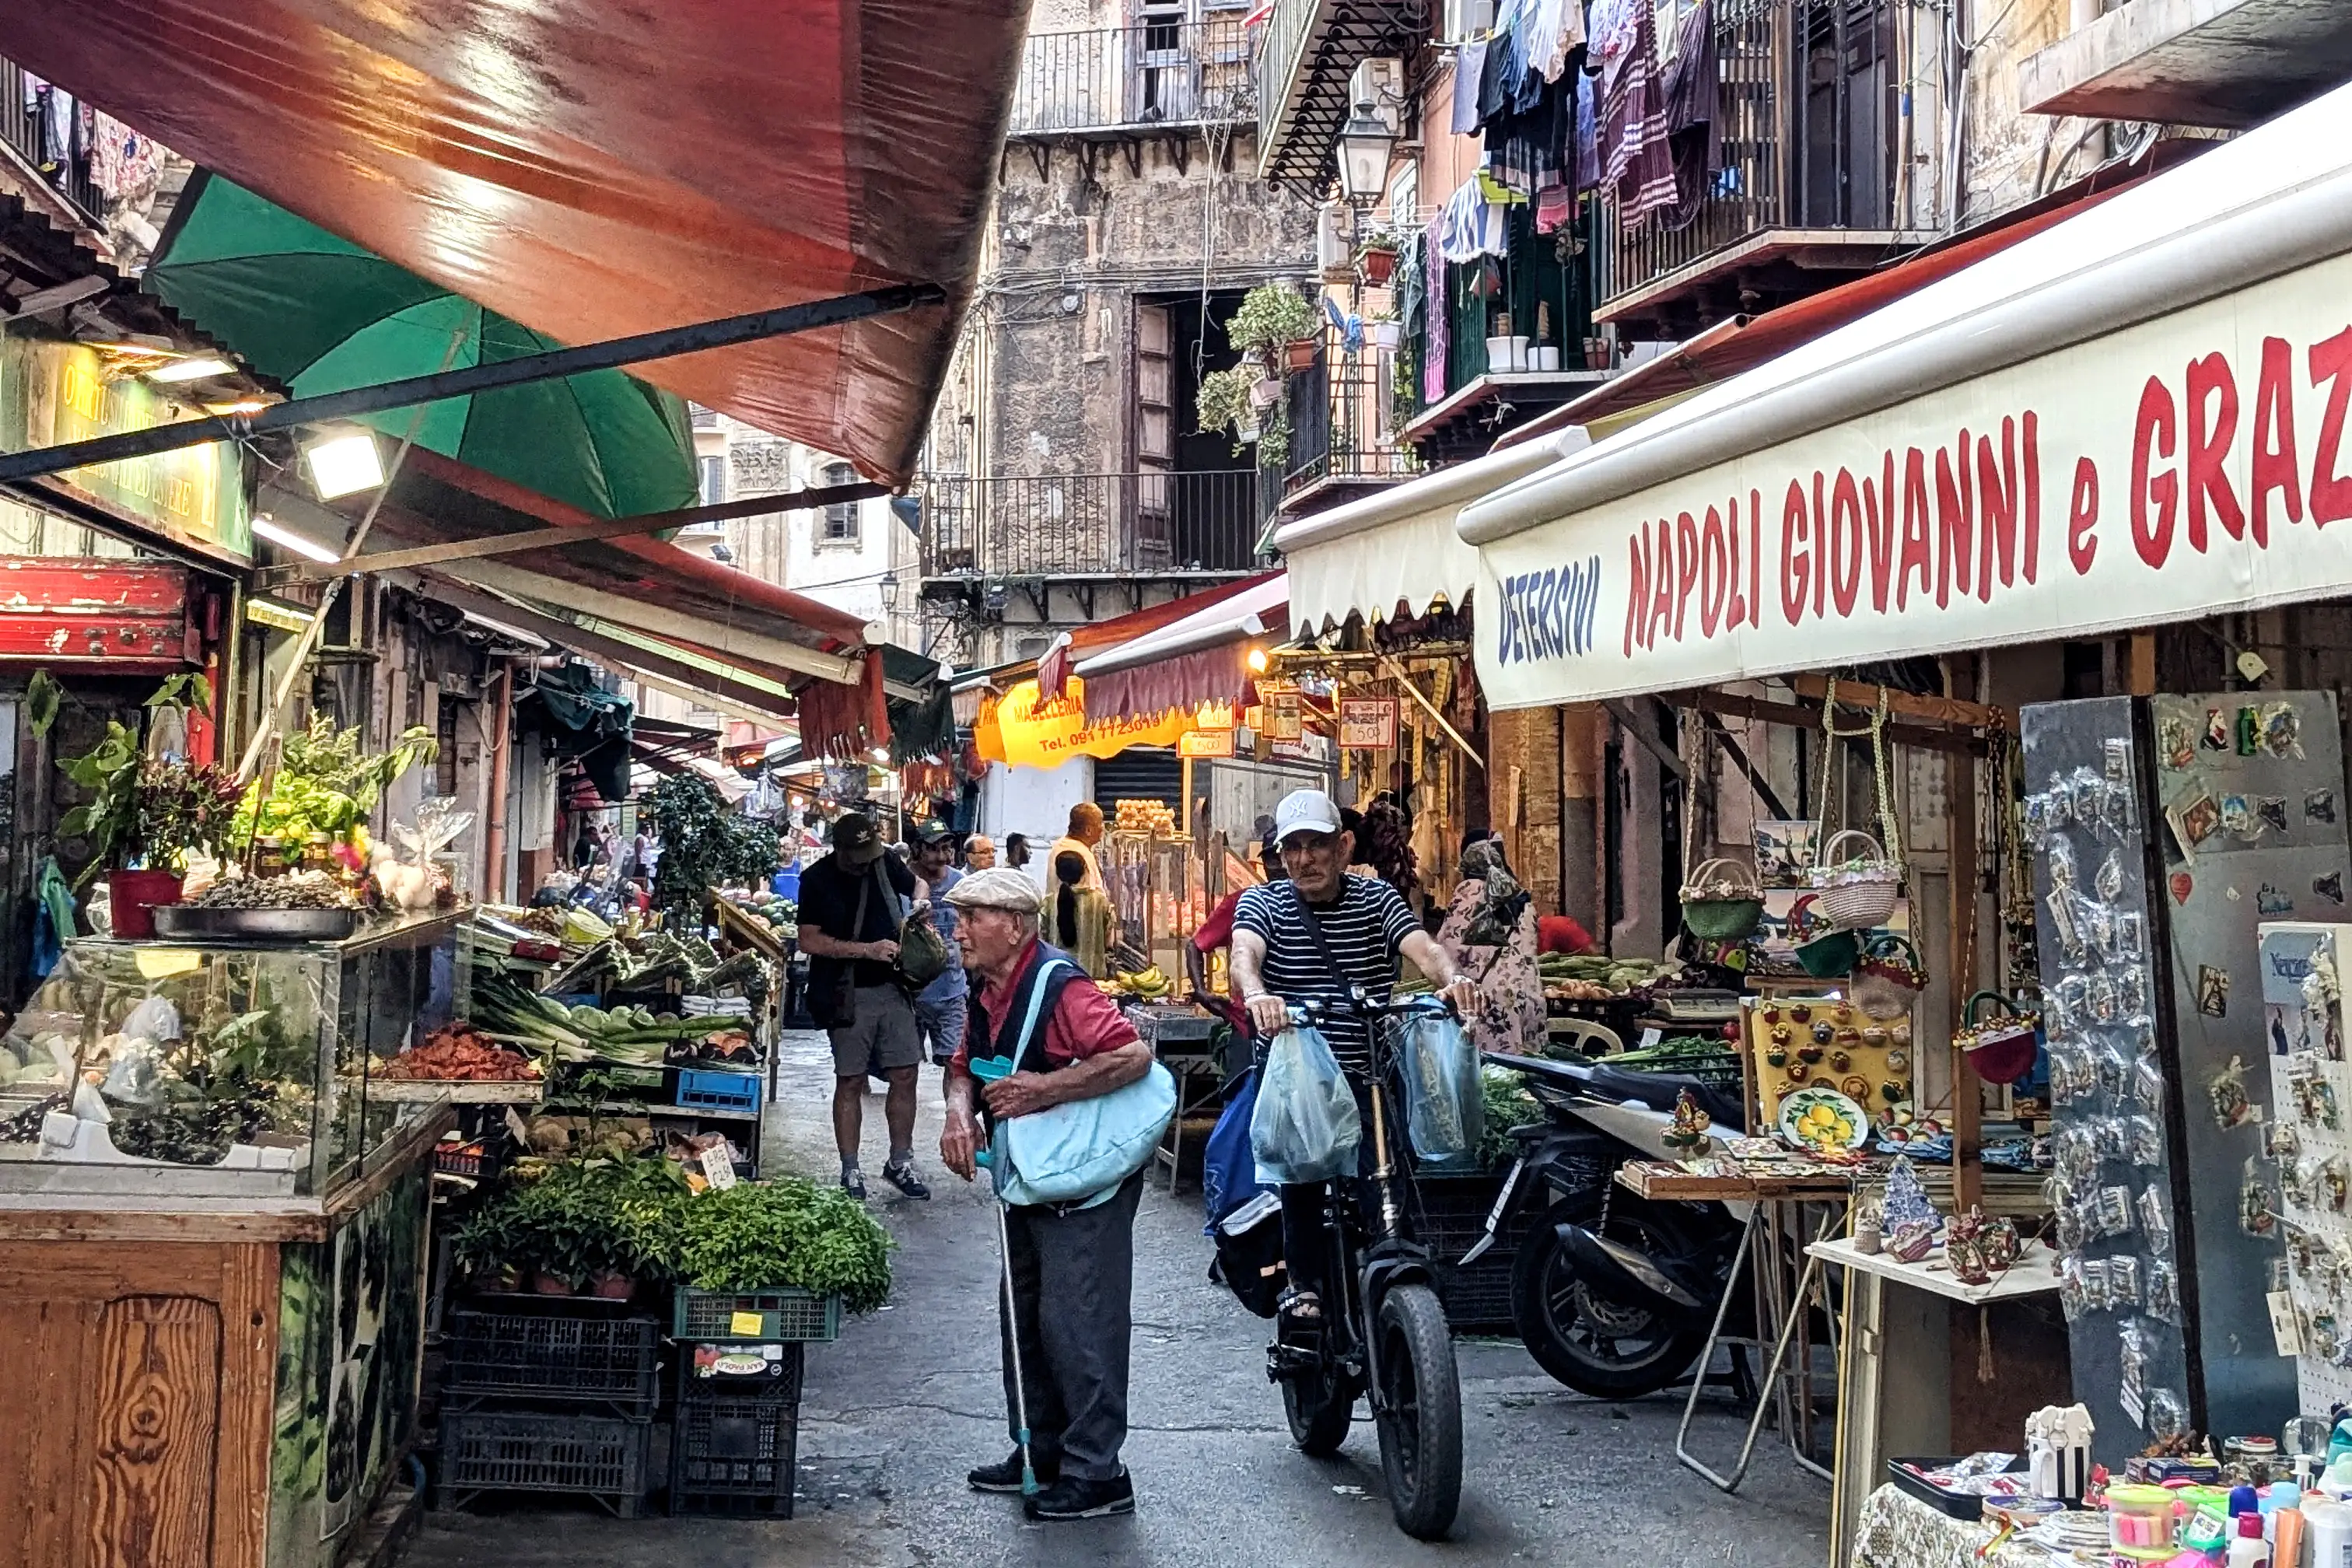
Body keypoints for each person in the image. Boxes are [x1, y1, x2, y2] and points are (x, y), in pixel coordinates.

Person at [940, 867, 1153, 1521]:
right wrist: (958, 1114)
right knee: (1024, 1314)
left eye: (975, 916)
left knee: (1078, 1320)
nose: (961, 929)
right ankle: (1039, 1451)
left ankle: (1099, 1474)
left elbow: (1132, 1055)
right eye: (961, 916)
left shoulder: (1062, 986)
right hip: (1031, 1171)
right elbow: (962, 1068)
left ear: (1016, 926)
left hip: (1085, 1181)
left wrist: (1042, 1090)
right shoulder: (985, 989)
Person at [1227, 789, 1476, 1325]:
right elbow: (1244, 957)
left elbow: (1424, 950)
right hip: (1298, 1085)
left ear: (1343, 847)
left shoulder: (1376, 899)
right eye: (1292, 848)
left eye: (1316, 845)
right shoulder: (1263, 904)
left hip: (1368, 1074)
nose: (1303, 860)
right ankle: (1304, 1283)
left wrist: (1453, 980)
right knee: (1302, 1175)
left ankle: (1398, 1299)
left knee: (1386, 1187)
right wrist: (1257, 994)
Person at [794, 812, 932, 1201]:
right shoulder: (817, 880)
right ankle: (850, 1169)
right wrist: (866, 951)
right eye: (859, 854)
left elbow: (918, 882)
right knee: (851, 1079)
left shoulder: (884, 861)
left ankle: (900, 1161)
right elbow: (809, 941)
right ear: (841, 850)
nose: (866, 860)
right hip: (846, 991)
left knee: (906, 1073)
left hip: (893, 986)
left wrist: (920, 904)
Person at [1433, 838, 1547, 1055]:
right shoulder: (1521, 898)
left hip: (1486, 1001)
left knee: (1491, 1075)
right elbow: (1530, 947)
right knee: (1525, 1070)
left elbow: (1448, 945)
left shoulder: (1468, 892)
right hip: (1528, 997)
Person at [1186, 835, 1285, 1033]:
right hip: (1250, 1026)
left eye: (1283, 858)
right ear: (1264, 863)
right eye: (1271, 860)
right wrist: (1201, 991)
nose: (1279, 867)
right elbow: (1194, 945)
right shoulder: (1244, 901)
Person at [909, 823, 969, 1069]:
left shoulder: (960, 883)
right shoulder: (903, 882)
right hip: (911, 995)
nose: (942, 857)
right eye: (934, 849)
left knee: (955, 1065)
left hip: (953, 991)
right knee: (905, 1070)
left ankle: (953, 1109)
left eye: (947, 849)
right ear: (917, 849)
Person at [1045, 851, 1113, 977]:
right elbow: (1108, 941)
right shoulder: (1100, 902)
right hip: (1093, 979)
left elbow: (1043, 940)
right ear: (1084, 871)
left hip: (1058, 978)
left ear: (1058, 874)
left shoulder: (1049, 902)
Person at [1050, 802, 1107, 892]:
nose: (1103, 828)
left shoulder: (1058, 845)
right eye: (1100, 823)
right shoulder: (1083, 855)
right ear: (1088, 830)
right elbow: (1091, 897)